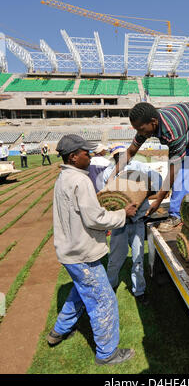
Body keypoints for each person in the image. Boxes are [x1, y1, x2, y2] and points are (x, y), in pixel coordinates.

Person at [47, 134, 137, 366]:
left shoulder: (64, 177)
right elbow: (94, 218)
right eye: (86, 153)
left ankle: (58, 331)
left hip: (70, 251)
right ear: (74, 157)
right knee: (103, 301)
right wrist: (121, 214)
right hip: (81, 254)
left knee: (80, 292)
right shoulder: (80, 180)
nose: (90, 156)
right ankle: (107, 353)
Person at [108, 102, 189, 232]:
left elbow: (172, 171)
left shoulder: (172, 130)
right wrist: (112, 176)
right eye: (137, 129)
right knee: (183, 174)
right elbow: (130, 152)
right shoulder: (145, 126)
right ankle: (176, 215)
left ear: (153, 122)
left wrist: (158, 200)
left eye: (141, 129)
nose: (139, 133)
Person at [103, 144, 162, 305]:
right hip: (119, 224)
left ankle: (139, 291)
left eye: (122, 154)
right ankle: (110, 287)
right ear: (113, 157)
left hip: (137, 222)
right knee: (115, 260)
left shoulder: (139, 167)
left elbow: (157, 180)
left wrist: (148, 190)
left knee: (137, 259)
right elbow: (106, 197)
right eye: (117, 156)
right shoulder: (108, 173)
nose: (120, 158)